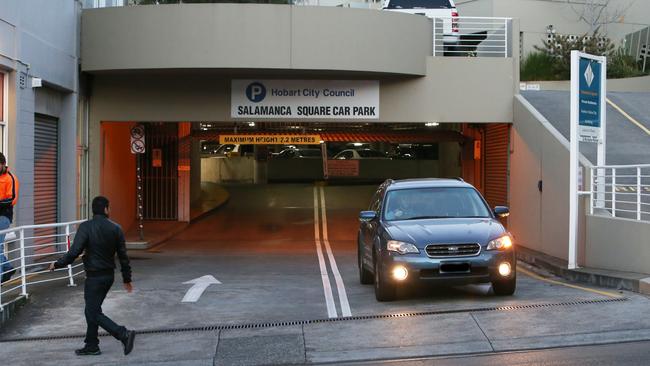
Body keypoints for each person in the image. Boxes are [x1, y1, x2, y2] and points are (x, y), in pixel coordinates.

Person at [49, 196, 136, 356]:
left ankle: (123, 334)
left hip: (94, 277)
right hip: (108, 276)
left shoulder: (86, 227)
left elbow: (74, 252)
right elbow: (123, 257)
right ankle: (91, 345)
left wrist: (57, 264)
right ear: (105, 209)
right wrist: (127, 279)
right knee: (93, 309)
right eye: (109, 208)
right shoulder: (116, 228)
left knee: (92, 312)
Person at [0, 152, 19, 284]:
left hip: (3, 216)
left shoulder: (10, 178)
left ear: (3, 164)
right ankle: (7, 267)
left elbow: (12, 199)